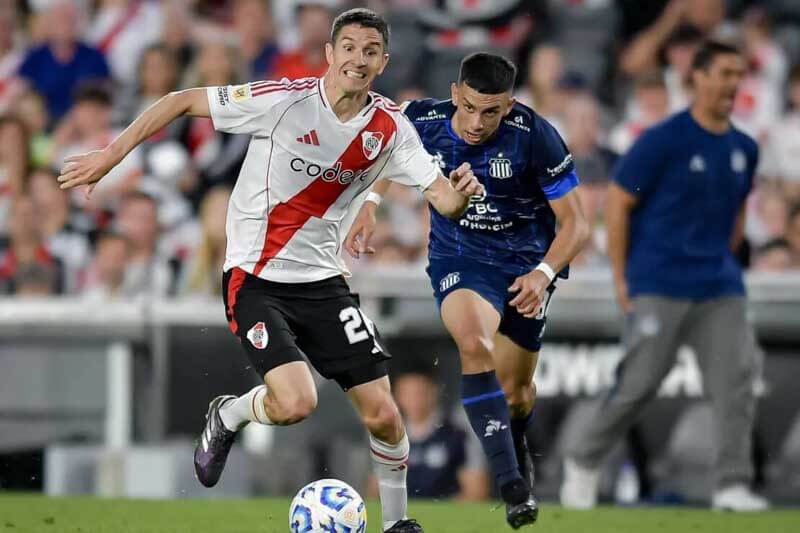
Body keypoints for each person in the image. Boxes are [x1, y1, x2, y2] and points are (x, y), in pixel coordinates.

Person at [58, 8, 482, 533]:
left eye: (369, 51)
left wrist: (461, 198)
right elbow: (180, 99)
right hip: (255, 277)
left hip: (324, 282)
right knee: (296, 402)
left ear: (383, 62)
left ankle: (398, 524)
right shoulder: (284, 101)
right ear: (330, 54)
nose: (358, 59)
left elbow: (442, 198)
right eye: (348, 47)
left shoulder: (390, 128)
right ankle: (229, 415)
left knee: (384, 414)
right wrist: (111, 154)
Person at [347, 52, 589, 528]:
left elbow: (577, 225)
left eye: (491, 112)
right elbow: (380, 154)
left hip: (525, 265)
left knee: (516, 392)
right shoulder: (423, 119)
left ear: (509, 105)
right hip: (460, 257)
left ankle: (514, 440)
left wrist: (542, 274)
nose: (478, 123)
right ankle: (512, 484)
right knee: (473, 344)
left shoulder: (534, 135)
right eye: (471, 107)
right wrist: (371, 202)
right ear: (456, 93)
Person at [559, 41, 770, 512]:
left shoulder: (744, 147)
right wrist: (621, 276)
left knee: (735, 380)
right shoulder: (662, 141)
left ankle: (732, 484)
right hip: (658, 281)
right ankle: (584, 462)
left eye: (739, 74)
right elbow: (617, 203)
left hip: (719, 285)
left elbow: (736, 214)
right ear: (696, 77)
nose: (732, 83)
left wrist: (726, 260)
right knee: (638, 384)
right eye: (723, 72)